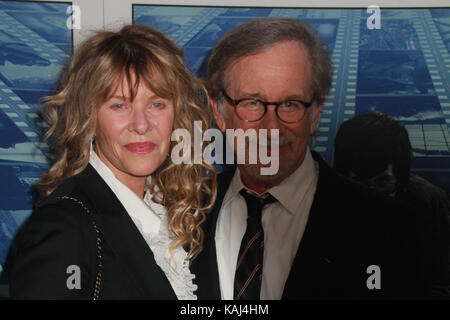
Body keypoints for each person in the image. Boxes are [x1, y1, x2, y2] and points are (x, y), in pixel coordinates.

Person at [191, 18, 430, 300]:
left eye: (290, 104)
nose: (271, 128)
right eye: (251, 103)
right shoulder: (180, 215)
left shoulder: (389, 228)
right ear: (218, 111)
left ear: (315, 113)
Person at [9, 25, 216, 299]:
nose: (141, 125)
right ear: (89, 117)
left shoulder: (171, 209)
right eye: (119, 105)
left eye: (157, 104)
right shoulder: (64, 227)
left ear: (176, 114)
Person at [333, 112, 449, 297]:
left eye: (381, 183)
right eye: (360, 182)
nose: (369, 194)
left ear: (402, 177)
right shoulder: (324, 200)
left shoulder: (429, 202)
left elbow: (442, 279)